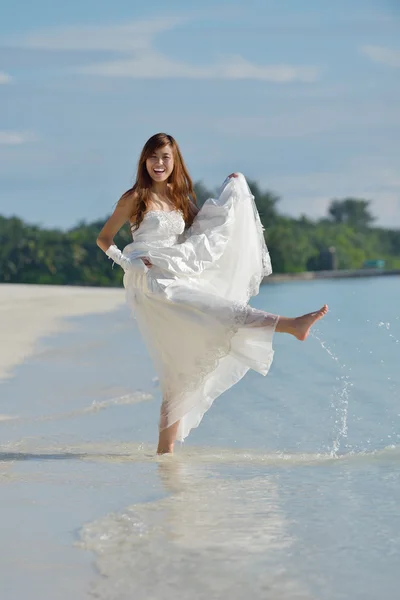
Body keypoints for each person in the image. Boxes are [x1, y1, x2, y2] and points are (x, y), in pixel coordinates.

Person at [97, 133, 328, 454]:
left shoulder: (180, 199)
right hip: (151, 283)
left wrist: (232, 191)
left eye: (165, 157)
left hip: (177, 273)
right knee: (219, 309)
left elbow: (205, 229)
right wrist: (128, 262)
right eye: (153, 157)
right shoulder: (136, 197)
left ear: (174, 161)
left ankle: (165, 456)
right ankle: (290, 325)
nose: (159, 163)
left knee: (177, 370)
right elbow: (104, 238)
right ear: (144, 161)